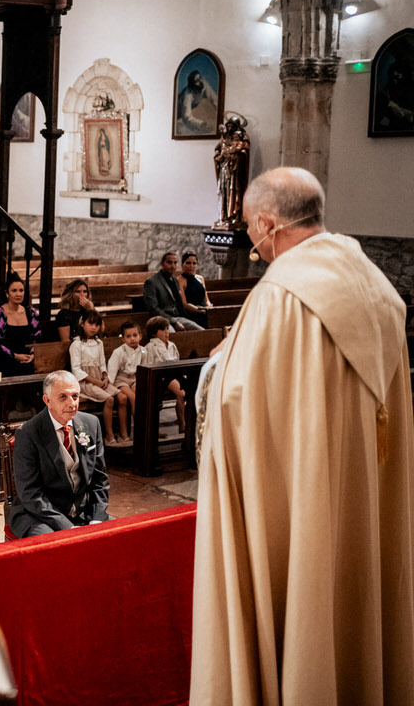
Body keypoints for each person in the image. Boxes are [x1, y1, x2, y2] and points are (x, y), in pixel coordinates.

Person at [190, 167, 414, 705]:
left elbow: (239, 402)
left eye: (248, 227)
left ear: (267, 221)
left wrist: (214, 371)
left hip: (300, 498)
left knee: (301, 599)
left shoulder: (282, 296)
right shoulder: (375, 284)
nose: (250, 239)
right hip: (360, 484)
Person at [5, 370, 111, 538]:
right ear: (47, 400)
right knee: (54, 546)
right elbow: (30, 493)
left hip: (83, 511)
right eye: (63, 397)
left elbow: (99, 480)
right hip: (39, 515)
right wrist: (67, 527)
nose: (72, 403)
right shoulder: (28, 433)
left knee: (119, 537)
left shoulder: (91, 424)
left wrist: (96, 519)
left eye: (75, 396)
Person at [69, 309, 123, 445]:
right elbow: (76, 369)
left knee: (123, 397)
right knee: (109, 399)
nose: (94, 327)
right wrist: (95, 381)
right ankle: (109, 436)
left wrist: (105, 377)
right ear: (82, 323)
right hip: (86, 383)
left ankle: (124, 434)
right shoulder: (77, 344)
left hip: (99, 380)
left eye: (97, 324)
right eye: (91, 323)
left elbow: (102, 363)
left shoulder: (99, 343)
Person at [0, 274, 39, 376]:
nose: (18, 294)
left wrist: (32, 355)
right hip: (3, 361)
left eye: (21, 290)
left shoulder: (31, 313)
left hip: (26, 360)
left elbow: (35, 338)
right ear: (7, 294)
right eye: (14, 291)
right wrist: (15, 356)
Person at [143, 315, 185, 432]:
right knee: (181, 393)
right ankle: (182, 424)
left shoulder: (171, 345)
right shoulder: (150, 347)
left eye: (167, 329)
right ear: (154, 333)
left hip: (175, 373)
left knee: (189, 390)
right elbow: (149, 364)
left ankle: (184, 421)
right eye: (162, 330)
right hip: (162, 376)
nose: (166, 332)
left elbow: (177, 359)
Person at [105, 321, 145, 445]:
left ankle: (136, 431)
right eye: (128, 336)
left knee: (141, 395)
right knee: (132, 398)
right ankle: (137, 431)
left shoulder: (144, 351)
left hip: (135, 378)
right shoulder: (119, 352)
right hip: (120, 379)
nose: (132, 339)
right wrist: (109, 387)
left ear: (140, 336)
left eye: (135, 335)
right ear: (123, 339)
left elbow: (144, 368)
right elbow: (112, 372)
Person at [143, 252, 202, 331]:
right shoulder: (152, 282)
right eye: (169, 262)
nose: (173, 266)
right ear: (162, 263)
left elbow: (180, 305)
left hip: (178, 318)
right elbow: (153, 309)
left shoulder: (175, 280)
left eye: (175, 263)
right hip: (161, 320)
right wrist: (173, 322)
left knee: (200, 330)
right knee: (171, 333)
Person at [176, 251, 211, 328]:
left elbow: (206, 300)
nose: (191, 266)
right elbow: (184, 304)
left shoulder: (200, 278)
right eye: (188, 263)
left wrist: (209, 308)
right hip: (190, 313)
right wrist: (199, 310)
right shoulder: (180, 280)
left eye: (194, 263)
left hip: (204, 311)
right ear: (182, 265)